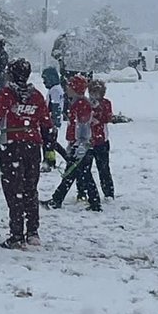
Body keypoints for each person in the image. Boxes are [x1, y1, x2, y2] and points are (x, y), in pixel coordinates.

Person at [0, 58, 57, 249]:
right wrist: (49, 149)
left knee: (14, 191)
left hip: (12, 146)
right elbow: (47, 124)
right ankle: (33, 232)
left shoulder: (7, 94)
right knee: (30, 189)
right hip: (33, 146)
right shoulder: (37, 96)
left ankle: (16, 235)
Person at [42, 75, 101, 212]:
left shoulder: (81, 105)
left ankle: (59, 200)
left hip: (81, 145)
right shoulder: (77, 103)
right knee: (77, 174)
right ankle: (60, 199)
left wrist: (82, 144)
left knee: (77, 174)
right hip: (77, 144)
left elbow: (84, 126)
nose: (67, 88)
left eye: (70, 86)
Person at [88, 79, 115, 201]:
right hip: (87, 140)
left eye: (97, 92)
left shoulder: (106, 103)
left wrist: (98, 114)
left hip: (101, 141)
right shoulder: (86, 103)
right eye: (93, 92)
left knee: (104, 168)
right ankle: (82, 191)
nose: (95, 95)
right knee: (85, 169)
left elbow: (108, 117)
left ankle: (108, 192)